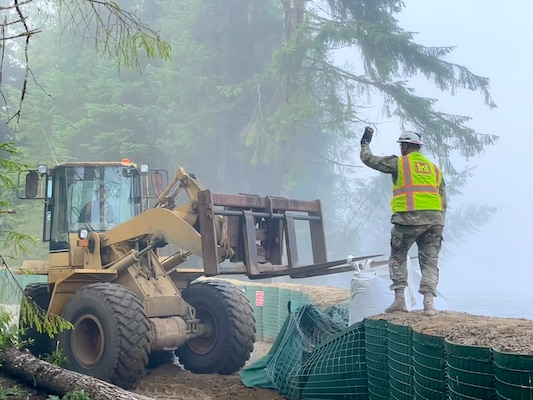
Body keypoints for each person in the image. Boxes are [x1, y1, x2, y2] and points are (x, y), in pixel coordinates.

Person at [359, 126, 446, 316]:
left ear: (405, 147)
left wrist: (365, 144)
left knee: (398, 256)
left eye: (401, 146)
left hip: (407, 220)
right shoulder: (434, 169)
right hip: (435, 221)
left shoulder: (400, 163)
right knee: (430, 262)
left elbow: (369, 160)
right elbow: (443, 199)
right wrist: (440, 223)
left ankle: (399, 301)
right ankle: (429, 304)